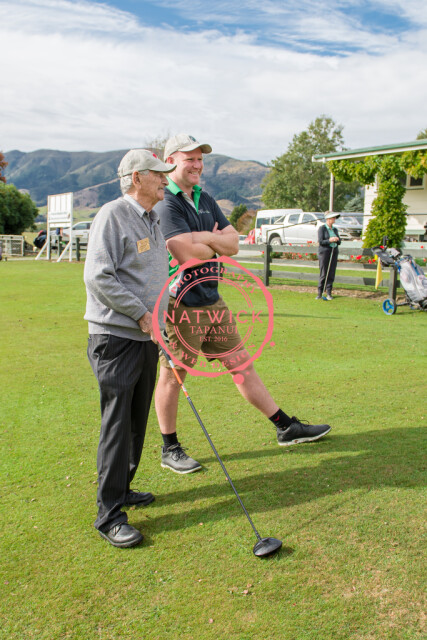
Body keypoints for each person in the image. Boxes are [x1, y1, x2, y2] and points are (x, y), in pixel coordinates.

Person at [154, 133, 332, 474]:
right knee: (173, 376)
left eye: (200, 158)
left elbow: (233, 244)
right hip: (180, 304)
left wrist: (204, 239)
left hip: (212, 299)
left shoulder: (204, 197)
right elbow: (184, 253)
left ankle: (285, 427)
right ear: (171, 160)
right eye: (190, 158)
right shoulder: (167, 202)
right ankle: (169, 448)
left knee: (242, 366)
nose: (197, 164)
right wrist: (213, 240)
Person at [84, 149, 175, 548]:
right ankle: (109, 515)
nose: (165, 180)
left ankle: (122, 488)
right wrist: (141, 314)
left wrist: (161, 317)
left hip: (145, 336)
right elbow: (98, 277)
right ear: (137, 178)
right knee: (118, 424)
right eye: (158, 173)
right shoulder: (112, 214)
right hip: (116, 338)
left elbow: (152, 279)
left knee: (137, 420)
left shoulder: (153, 219)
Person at [316, 211, 341, 300]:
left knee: (331, 273)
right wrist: (329, 240)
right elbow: (321, 241)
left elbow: (339, 242)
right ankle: (320, 293)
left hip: (333, 252)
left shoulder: (335, 229)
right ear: (328, 219)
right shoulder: (322, 228)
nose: (334, 219)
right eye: (333, 218)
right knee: (324, 273)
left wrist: (337, 239)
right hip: (324, 252)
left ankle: (329, 293)